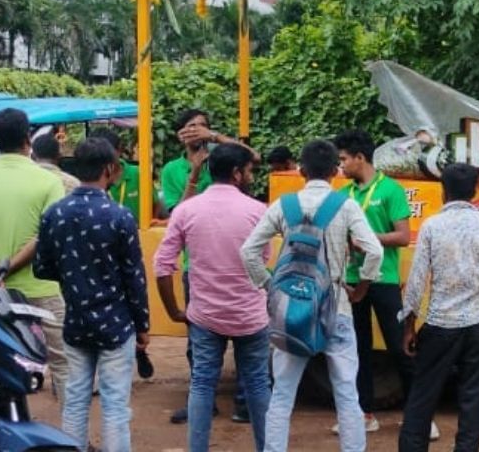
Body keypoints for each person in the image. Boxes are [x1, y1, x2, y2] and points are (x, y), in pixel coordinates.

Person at [240, 139, 384, 452]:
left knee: (282, 394)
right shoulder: (345, 205)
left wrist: (269, 286)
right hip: (337, 305)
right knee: (347, 393)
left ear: (301, 170)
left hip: (291, 309)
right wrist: (360, 288)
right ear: (336, 171)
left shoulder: (283, 205)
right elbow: (374, 251)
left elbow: (248, 251)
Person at [398, 163, 479, 452]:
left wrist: (409, 326)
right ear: (474, 192)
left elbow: (418, 281)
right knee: (473, 400)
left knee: (422, 398)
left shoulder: (431, 226)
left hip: (440, 325)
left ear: (443, 191)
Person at [34, 137, 149, 452]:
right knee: (114, 404)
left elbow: (41, 267)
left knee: (75, 398)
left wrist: (74, 276)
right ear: (110, 169)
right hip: (116, 322)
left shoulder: (54, 214)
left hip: (76, 321)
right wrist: (143, 326)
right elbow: (134, 278)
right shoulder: (120, 215)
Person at [155, 143, 272, 452]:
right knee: (259, 384)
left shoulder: (186, 210)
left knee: (203, 384)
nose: (250, 176)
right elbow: (264, 260)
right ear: (236, 173)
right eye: (248, 171)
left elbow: (162, 266)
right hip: (251, 316)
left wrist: (173, 311)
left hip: (204, 315)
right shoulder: (258, 211)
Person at [161, 109, 255, 424]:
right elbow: (178, 213)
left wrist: (215, 139)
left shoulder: (224, 158)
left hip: (236, 259)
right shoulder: (173, 169)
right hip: (197, 264)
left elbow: (253, 157)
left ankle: (244, 403)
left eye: (204, 126)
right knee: (199, 338)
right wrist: (194, 175)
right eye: (191, 127)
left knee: (246, 333)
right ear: (180, 135)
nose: (198, 131)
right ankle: (203, 401)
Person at [0, 108, 69, 398]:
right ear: (28, 137)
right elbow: (47, 234)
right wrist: (12, 264)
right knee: (65, 367)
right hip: (42, 287)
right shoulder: (48, 181)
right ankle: (72, 438)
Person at [333, 129, 418, 436]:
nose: (340, 165)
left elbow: (403, 236)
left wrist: (367, 241)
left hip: (384, 279)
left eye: (344, 159)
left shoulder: (391, 190)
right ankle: (363, 413)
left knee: (401, 348)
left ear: (360, 157)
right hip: (351, 281)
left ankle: (418, 415)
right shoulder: (343, 195)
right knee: (356, 349)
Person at [89, 127, 165, 221]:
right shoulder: (91, 177)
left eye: (108, 153)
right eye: (98, 154)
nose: (104, 158)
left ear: (119, 150)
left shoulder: (139, 174)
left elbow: (155, 204)